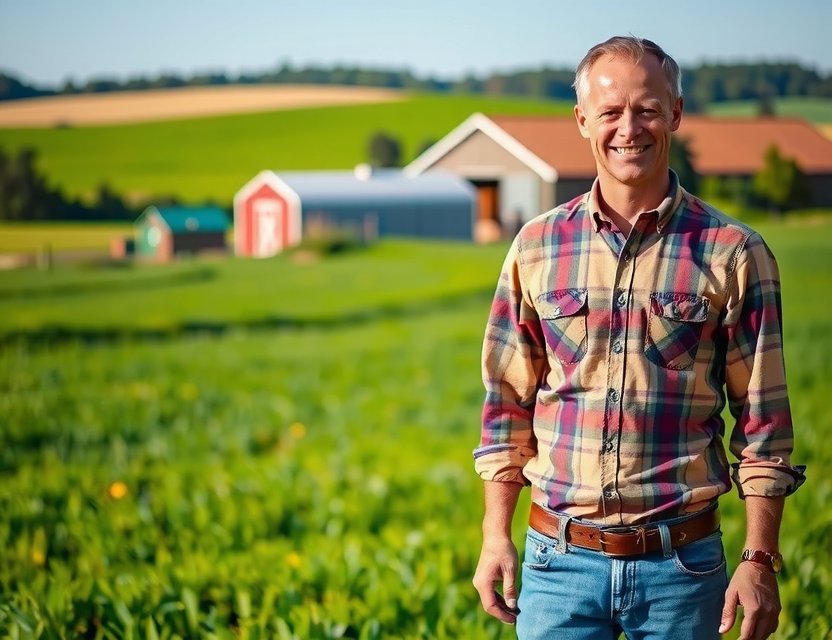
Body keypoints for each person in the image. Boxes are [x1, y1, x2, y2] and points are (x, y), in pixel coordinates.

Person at [472, 36, 805, 640]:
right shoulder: (535, 246)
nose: (630, 128)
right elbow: (505, 409)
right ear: (582, 121)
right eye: (610, 112)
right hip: (557, 565)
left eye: (648, 109)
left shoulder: (733, 252)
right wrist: (496, 535)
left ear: (675, 113)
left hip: (683, 567)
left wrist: (759, 560)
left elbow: (763, 425)